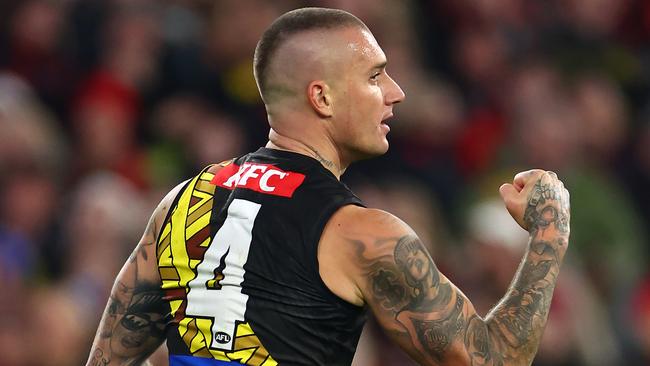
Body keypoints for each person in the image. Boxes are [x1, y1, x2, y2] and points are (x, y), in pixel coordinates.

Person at [86, 7, 571, 366]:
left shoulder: (180, 200)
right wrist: (550, 229)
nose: (396, 91)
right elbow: (496, 359)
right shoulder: (362, 235)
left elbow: (109, 360)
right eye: (375, 76)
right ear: (322, 97)